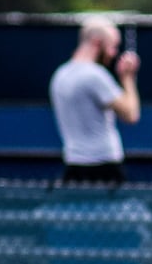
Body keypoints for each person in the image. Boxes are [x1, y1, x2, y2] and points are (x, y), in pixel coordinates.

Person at [49, 18, 141, 184]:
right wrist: (127, 77)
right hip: (105, 168)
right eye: (112, 46)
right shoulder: (95, 75)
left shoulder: (60, 75)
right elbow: (131, 114)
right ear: (97, 42)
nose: (114, 54)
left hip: (73, 165)